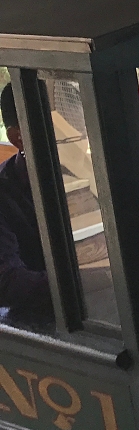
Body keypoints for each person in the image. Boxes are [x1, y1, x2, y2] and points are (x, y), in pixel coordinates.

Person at [0, 85, 53, 326]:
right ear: (16, 137)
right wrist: (78, 286)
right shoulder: (4, 194)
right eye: (53, 124)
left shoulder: (92, 173)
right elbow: (7, 281)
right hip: (44, 330)